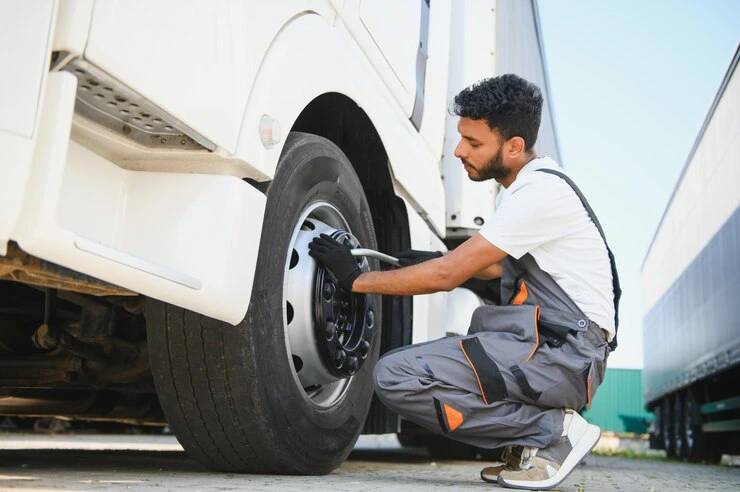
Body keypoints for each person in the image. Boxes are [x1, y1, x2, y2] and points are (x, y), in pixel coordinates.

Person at [308, 74, 621, 490]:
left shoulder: (539, 193)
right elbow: (491, 268)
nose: (459, 151)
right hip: (560, 349)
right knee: (420, 364)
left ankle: (551, 433)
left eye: (474, 143)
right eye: (461, 139)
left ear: (513, 146)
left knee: (396, 376)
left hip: (564, 354)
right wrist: (432, 258)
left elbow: (448, 276)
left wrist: (356, 280)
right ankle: (534, 442)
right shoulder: (531, 187)